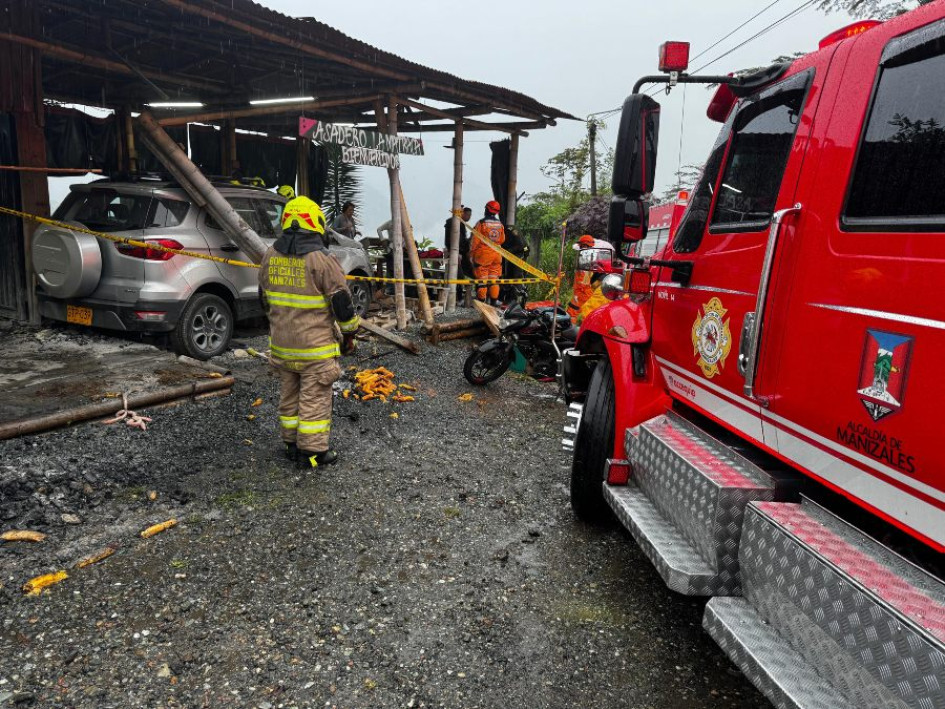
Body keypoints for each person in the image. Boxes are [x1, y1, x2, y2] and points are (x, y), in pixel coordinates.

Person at [258, 196, 360, 470]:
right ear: (315, 223)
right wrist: (350, 336)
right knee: (314, 398)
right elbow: (343, 306)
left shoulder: (270, 255)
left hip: (282, 346)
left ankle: (291, 445)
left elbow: (264, 300)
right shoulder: (323, 260)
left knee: (289, 394)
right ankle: (313, 454)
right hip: (314, 349)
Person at [567, 234, 613, 321]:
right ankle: (572, 327)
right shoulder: (584, 257)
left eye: (582, 245)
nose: (580, 247)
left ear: (586, 245)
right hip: (580, 292)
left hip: (584, 292)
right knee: (574, 311)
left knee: (580, 312)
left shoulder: (592, 258)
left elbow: (589, 278)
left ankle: (574, 328)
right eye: (580, 245)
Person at [469, 200, 506, 304]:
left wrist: (472, 255)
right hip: (497, 255)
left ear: (487, 209)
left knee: (483, 279)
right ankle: (493, 303)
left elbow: (475, 241)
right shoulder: (500, 224)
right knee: (494, 279)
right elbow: (502, 240)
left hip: (483, 255)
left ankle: (481, 302)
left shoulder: (481, 223)